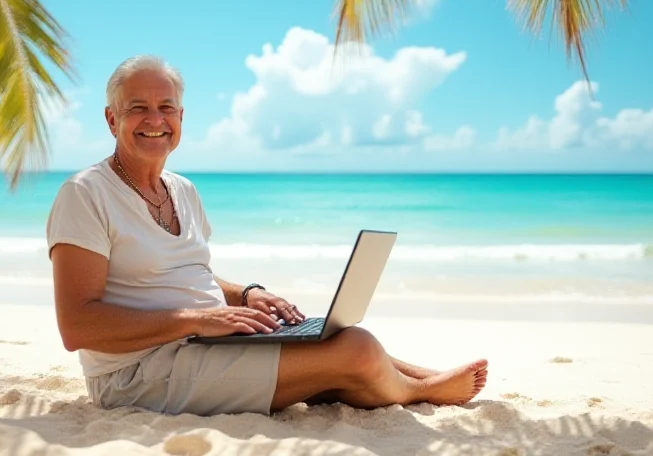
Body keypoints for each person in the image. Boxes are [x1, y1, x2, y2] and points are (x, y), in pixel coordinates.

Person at [46, 55, 488, 417]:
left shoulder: (182, 190)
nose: (154, 120)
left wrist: (247, 295)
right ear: (111, 119)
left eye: (166, 107)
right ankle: (420, 391)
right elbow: (77, 326)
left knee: (334, 333)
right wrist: (197, 320)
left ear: (181, 117)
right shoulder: (85, 194)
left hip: (203, 344)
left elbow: (185, 275)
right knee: (357, 351)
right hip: (137, 373)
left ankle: (422, 376)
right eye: (137, 107)